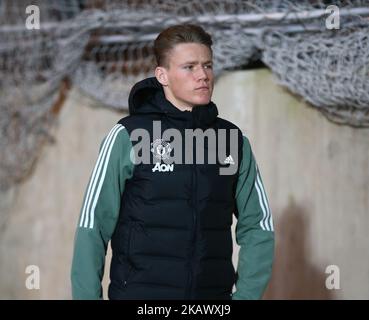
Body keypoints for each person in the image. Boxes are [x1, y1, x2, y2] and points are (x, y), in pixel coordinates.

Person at [71, 23, 274, 300]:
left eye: (208, 65)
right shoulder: (128, 136)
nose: (202, 75)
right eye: (189, 67)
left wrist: (245, 298)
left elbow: (257, 225)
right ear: (162, 75)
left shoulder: (232, 141)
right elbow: (92, 225)